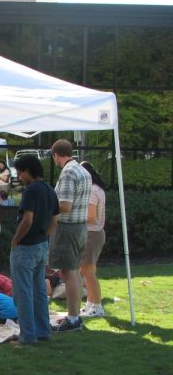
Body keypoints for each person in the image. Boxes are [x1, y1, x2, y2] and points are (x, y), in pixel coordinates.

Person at [10, 155, 59, 344]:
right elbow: (55, 219)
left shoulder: (30, 191)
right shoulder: (49, 190)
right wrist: (44, 236)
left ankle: (27, 336)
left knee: (23, 293)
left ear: (29, 171)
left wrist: (15, 240)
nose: (20, 177)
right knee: (39, 291)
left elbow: (27, 219)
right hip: (41, 245)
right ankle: (42, 331)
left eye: (20, 173)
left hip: (26, 247)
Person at [49, 139, 91, 333]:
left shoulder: (68, 172)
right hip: (81, 227)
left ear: (56, 155)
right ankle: (73, 315)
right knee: (72, 272)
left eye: (54, 157)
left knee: (69, 273)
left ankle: (73, 319)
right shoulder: (83, 171)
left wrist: (46, 206)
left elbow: (65, 205)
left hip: (69, 229)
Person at [79, 161, 107, 317]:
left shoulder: (92, 191)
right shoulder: (98, 189)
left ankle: (97, 306)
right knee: (87, 271)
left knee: (88, 272)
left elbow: (90, 216)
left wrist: (73, 217)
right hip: (94, 233)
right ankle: (91, 304)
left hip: (92, 234)